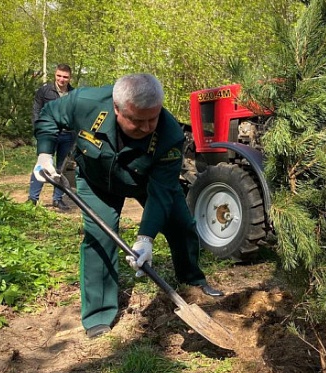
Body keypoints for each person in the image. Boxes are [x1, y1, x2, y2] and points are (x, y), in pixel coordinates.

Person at [32, 73, 223, 339]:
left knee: (181, 225)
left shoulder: (169, 134)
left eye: (152, 119)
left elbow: (162, 192)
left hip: (147, 182)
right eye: (136, 120)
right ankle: (99, 314)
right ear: (116, 108)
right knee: (100, 236)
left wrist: (145, 238)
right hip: (98, 180)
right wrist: (44, 153)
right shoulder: (85, 102)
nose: (146, 128)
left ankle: (192, 280)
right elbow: (49, 116)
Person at [28, 63, 75, 211]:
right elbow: (36, 111)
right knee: (42, 165)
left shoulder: (74, 94)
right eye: (59, 76)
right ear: (55, 75)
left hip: (67, 136)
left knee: (61, 168)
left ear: (69, 78)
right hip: (48, 135)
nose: (62, 79)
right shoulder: (44, 91)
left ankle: (57, 199)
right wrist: (39, 130)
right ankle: (32, 199)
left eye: (65, 77)